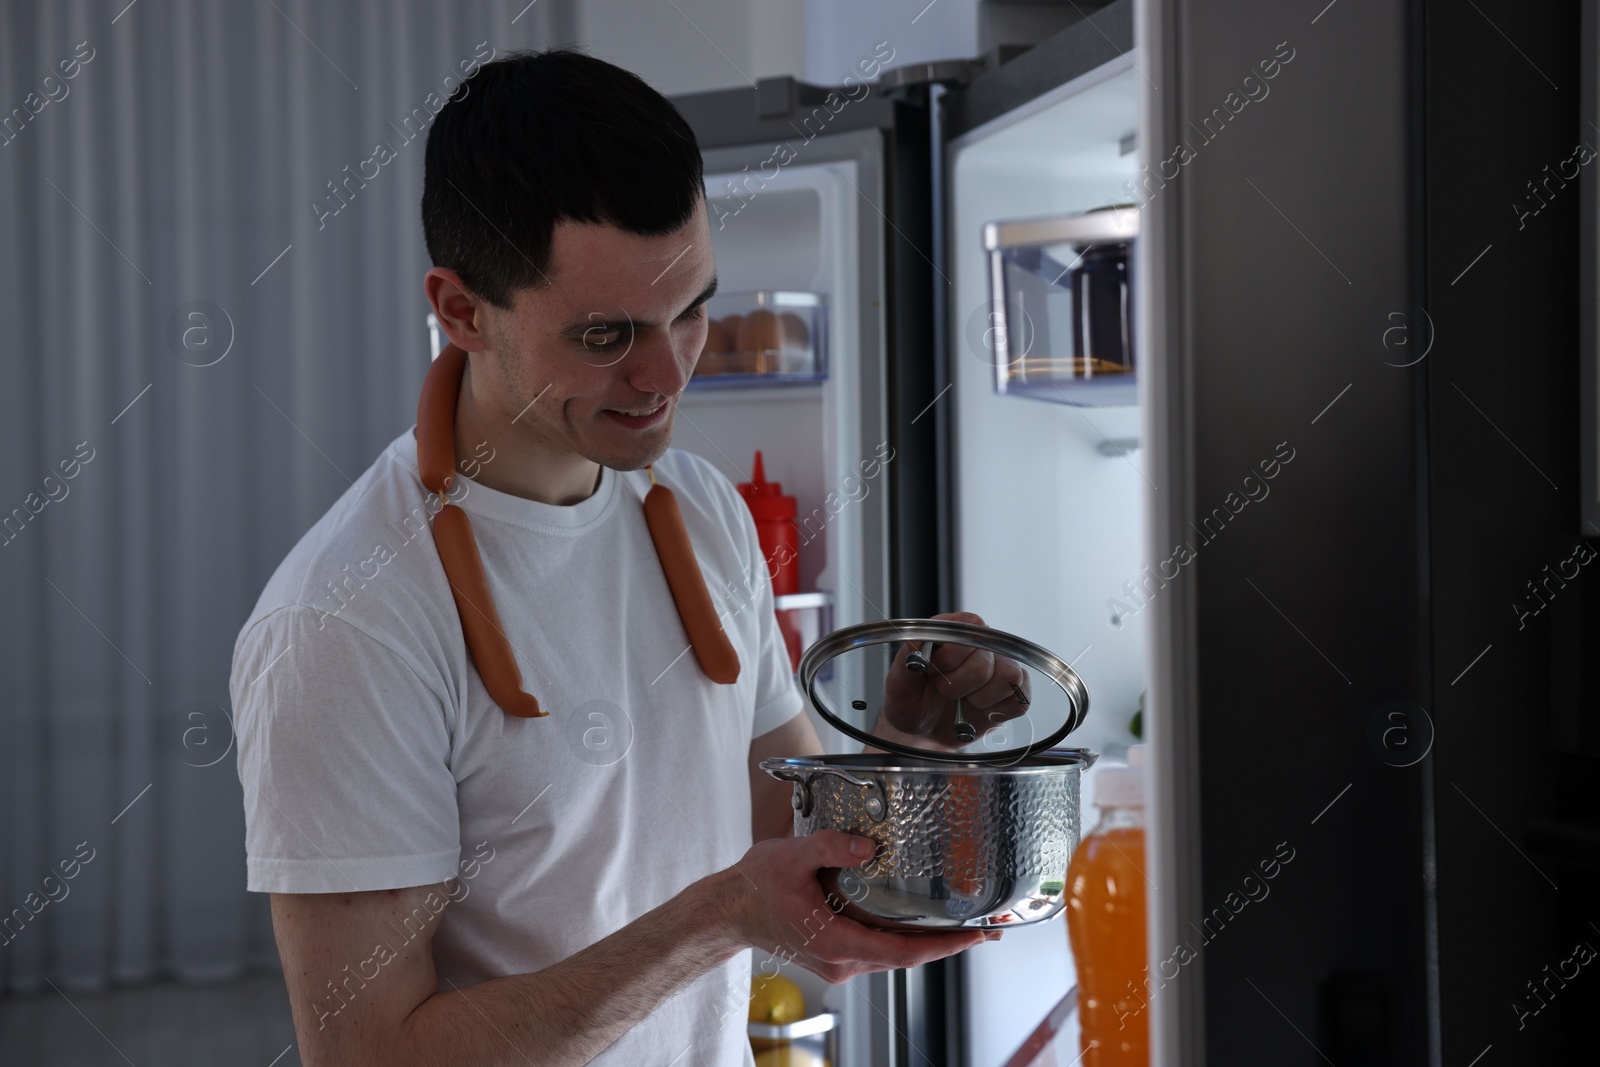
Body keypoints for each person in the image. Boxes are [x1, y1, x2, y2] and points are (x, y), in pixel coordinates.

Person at [229, 47, 1026, 1067]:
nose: (666, 373)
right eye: (607, 334)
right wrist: (719, 917)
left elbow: (793, 853)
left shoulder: (698, 509)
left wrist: (909, 748)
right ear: (461, 310)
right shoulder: (345, 617)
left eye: (693, 307)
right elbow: (370, 1051)